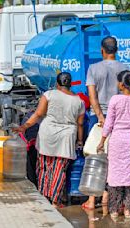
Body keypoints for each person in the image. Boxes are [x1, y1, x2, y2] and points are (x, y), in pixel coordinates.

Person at [15, 72, 85, 208]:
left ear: (57, 84)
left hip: (48, 133)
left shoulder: (49, 94)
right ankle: (55, 200)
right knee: (59, 169)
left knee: (44, 166)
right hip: (67, 136)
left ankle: (43, 195)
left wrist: (25, 126)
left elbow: (39, 114)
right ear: (70, 84)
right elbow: (80, 124)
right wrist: (80, 141)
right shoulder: (79, 101)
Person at [83, 36, 127, 210]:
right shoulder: (124, 68)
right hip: (118, 118)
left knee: (95, 156)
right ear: (116, 50)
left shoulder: (94, 68)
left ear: (102, 50)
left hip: (97, 117)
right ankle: (107, 198)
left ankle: (92, 200)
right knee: (113, 158)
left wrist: (100, 116)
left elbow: (92, 95)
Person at [97, 70, 130, 219]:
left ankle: (114, 210)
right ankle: (128, 210)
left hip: (117, 141)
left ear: (122, 84)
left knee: (114, 176)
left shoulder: (115, 100)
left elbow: (109, 124)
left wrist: (101, 141)